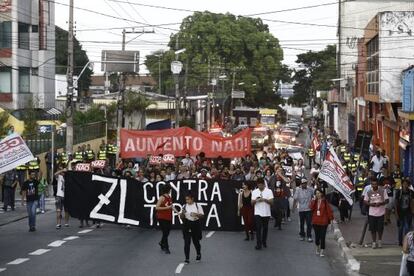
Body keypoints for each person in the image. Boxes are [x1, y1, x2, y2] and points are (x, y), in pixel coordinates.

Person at [364, 177, 389, 249]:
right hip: (372, 213)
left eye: (375, 184)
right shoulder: (368, 192)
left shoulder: (383, 191)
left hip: (381, 213)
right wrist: (370, 204)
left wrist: (381, 203)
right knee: (373, 229)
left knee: (380, 228)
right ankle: (374, 242)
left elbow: (387, 200)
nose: (374, 186)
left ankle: (380, 241)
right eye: (373, 184)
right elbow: (365, 201)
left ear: (377, 184)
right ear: (371, 185)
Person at [180, 193, 204, 264]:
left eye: (188, 199)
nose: (187, 201)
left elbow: (202, 216)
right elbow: (181, 217)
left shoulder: (197, 205)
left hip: (195, 224)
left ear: (192, 198)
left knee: (196, 242)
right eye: (186, 199)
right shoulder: (184, 206)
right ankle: (187, 259)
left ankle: (198, 253)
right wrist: (182, 213)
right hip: (186, 225)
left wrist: (196, 214)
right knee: (187, 242)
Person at [310, 189, 334, 257]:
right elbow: (311, 208)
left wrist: (331, 220)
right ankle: (317, 247)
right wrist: (314, 200)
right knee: (317, 237)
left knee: (322, 237)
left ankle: (322, 250)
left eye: (319, 193)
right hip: (315, 222)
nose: (318, 195)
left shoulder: (325, 202)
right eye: (316, 193)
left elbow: (329, 211)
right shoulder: (314, 201)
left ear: (321, 194)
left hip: (324, 222)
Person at [252, 178, 274, 250]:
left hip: (266, 213)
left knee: (265, 228)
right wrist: (256, 200)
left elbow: (272, 202)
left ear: (264, 184)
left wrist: (264, 200)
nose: (260, 186)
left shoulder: (269, 191)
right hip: (257, 212)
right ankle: (258, 244)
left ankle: (264, 241)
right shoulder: (255, 192)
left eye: (261, 185)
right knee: (258, 228)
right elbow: (251, 203)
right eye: (258, 185)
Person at [293, 178, 314, 242]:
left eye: (305, 183)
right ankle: (302, 235)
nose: (304, 184)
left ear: (306, 183)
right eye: (303, 183)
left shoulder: (310, 189)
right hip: (301, 209)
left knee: (309, 223)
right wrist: (293, 207)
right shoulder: (298, 190)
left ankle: (309, 236)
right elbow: (295, 199)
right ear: (301, 184)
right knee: (301, 223)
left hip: (309, 209)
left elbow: (315, 195)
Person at [395, 179, 414, 246]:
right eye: (404, 184)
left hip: (408, 212)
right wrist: (396, 213)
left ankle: (405, 242)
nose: (405, 185)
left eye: (406, 184)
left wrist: (412, 211)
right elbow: (396, 203)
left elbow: (412, 202)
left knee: (407, 228)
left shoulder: (411, 192)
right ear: (402, 184)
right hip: (400, 212)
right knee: (400, 228)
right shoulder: (399, 192)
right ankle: (400, 241)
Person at [156, 184, 173, 254]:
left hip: (168, 216)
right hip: (162, 217)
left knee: (167, 232)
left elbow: (171, 206)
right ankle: (166, 248)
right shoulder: (162, 197)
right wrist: (167, 208)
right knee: (165, 232)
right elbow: (157, 207)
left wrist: (178, 212)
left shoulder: (169, 197)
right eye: (170, 189)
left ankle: (161, 242)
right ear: (168, 190)